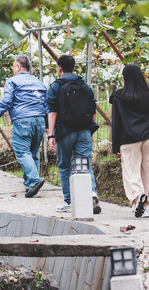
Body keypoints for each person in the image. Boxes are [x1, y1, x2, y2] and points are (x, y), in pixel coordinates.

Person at [47, 54, 101, 214]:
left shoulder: (55, 86)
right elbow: (93, 109)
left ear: (59, 68)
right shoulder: (84, 85)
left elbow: (52, 112)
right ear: (74, 68)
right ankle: (92, 193)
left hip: (65, 131)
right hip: (84, 130)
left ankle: (69, 201)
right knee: (84, 164)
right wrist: (90, 129)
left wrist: (51, 135)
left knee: (65, 166)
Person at [109, 63, 149, 218]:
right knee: (146, 171)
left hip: (130, 138)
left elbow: (116, 123)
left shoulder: (119, 96)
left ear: (125, 78)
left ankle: (138, 196)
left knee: (131, 172)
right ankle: (145, 207)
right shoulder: (147, 95)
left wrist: (115, 146)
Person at [0, 54, 47, 198]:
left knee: (22, 151)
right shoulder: (39, 83)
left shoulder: (12, 81)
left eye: (13, 67)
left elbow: (7, 100)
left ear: (18, 67)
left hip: (23, 120)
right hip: (40, 120)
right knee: (32, 153)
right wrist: (47, 124)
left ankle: (34, 180)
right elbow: (46, 105)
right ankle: (30, 185)